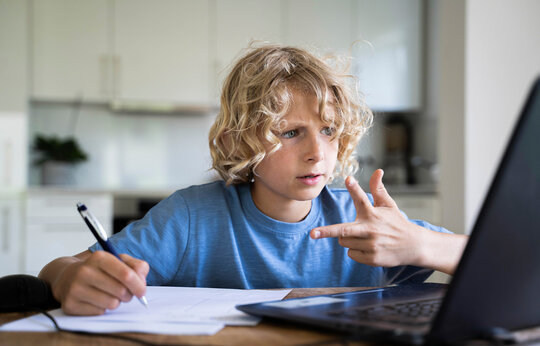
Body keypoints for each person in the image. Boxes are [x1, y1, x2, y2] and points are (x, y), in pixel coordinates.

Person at [39, 44, 468, 316]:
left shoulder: (364, 222)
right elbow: (61, 270)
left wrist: (420, 244)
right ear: (238, 141)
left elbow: (495, 259)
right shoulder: (191, 218)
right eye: (290, 132)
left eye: (329, 130)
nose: (317, 152)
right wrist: (66, 279)